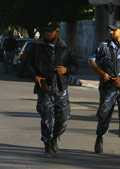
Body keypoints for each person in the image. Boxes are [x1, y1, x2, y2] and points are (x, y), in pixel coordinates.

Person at [23, 22, 78, 157]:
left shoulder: (65, 47)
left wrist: (67, 70)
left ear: (57, 32)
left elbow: (75, 64)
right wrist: (36, 77)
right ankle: (47, 143)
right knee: (46, 117)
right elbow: (27, 64)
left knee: (64, 117)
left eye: (51, 31)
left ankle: (54, 137)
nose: (48, 33)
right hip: (45, 87)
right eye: (47, 31)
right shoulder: (37, 47)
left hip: (60, 87)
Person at [88, 20, 120, 159]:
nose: (111, 32)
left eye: (114, 30)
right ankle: (100, 137)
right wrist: (102, 73)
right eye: (110, 30)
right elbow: (91, 60)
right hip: (107, 87)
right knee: (104, 114)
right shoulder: (103, 46)